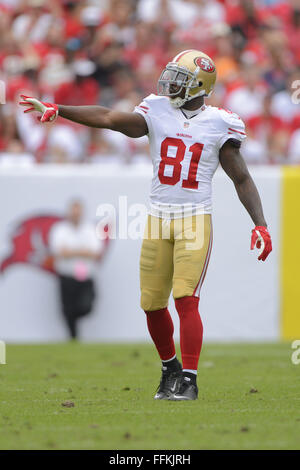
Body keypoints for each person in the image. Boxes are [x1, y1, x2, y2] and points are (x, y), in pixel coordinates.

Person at [19, 49, 272, 400]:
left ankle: (189, 379)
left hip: (194, 219)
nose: (170, 82)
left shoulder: (220, 122)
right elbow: (109, 116)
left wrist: (259, 224)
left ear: (199, 85)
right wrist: (59, 110)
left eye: (180, 78)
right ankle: (169, 369)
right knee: (152, 303)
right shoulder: (156, 108)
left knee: (186, 299)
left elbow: (241, 178)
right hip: (157, 219)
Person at [49, 200, 104, 339]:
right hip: (66, 276)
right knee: (67, 309)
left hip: (86, 277)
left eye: (78, 211)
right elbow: (58, 252)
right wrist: (82, 252)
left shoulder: (90, 229)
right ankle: (73, 338)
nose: (75, 214)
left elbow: (96, 252)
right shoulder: (59, 229)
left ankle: (74, 325)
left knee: (86, 307)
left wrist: (71, 252)